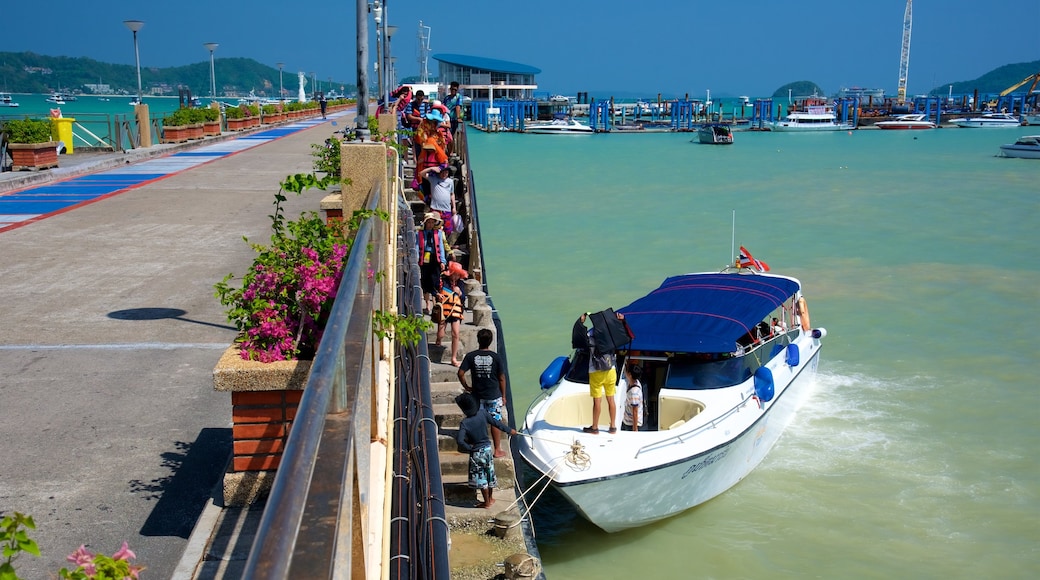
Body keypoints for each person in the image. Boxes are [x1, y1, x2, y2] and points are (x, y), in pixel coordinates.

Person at [454, 392, 516, 508]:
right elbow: (496, 423)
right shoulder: (483, 414)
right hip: (487, 449)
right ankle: (491, 498)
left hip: (476, 452)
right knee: (489, 474)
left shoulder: (465, 423)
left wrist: (470, 448)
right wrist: (509, 430)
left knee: (481, 478)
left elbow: (460, 441)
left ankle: (486, 502)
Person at [458, 328, 508, 458]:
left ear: (478, 340)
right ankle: (497, 449)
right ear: (490, 342)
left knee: (475, 419)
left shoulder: (471, 356)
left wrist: (466, 386)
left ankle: (474, 444)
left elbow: (461, 373)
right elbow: (502, 378)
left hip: (477, 396)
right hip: (493, 395)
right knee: (495, 420)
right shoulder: (496, 357)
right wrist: (503, 395)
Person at [575, 312, 619, 434]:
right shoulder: (610, 333)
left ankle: (595, 427)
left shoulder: (590, 334)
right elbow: (621, 333)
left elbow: (579, 338)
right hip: (610, 369)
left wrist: (581, 321)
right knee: (611, 399)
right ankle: (613, 427)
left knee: (597, 401)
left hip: (596, 371)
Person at [416, 212, 447, 315]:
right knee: (425, 282)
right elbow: (417, 247)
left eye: (432, 222)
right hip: (424, 259)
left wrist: (442, 261)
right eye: (428, 222)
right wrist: (416, 259)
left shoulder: (437, 233)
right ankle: (427, 305)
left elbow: (441, 248)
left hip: (435, 259)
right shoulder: (420, 234)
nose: (430, 224)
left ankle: (435, 305)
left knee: (436, 282)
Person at [437, 261, 466, 366]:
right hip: (444, 310)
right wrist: (437, 295)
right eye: (455, 274)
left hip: (456, 311)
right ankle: (438, 339)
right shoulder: (443, 281)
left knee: (456, 333)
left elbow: (463, 298)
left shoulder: (461, 284)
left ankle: (453, 358)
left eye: (458, 274)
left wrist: (460, 292)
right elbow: (437, 290)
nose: (456, 276)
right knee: (441, 334)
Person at [424, 164, 456, 242]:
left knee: (448, 229)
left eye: (446, 172)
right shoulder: (433, 179)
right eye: (442, 172)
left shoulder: (450, 181)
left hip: (446, 209)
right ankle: (432, 244)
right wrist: (431, 168)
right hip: (435, 208)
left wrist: (454, 207)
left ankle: (445, 246)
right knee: (433, 227)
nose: (444, 174)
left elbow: (452, 194)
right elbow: (421, 173)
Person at [621, 365, 644, 432]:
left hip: (631, 424)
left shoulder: (634, 393)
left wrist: (635, 428)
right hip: (628, 421)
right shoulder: (637, 382)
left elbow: (635, 411)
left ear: (630, 375)